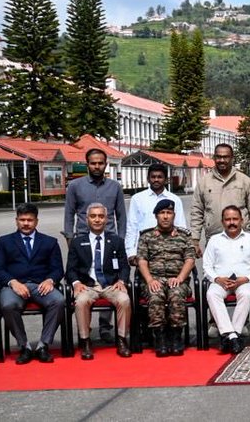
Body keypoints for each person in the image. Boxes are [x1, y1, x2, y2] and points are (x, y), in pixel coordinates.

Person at [64, 148, 127, 340]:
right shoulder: (75, 186)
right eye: (93, 163)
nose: (97, 166)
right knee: (86, 281)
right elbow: (69, 213)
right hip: (83, 237)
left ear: (106, 164)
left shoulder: (115, 186)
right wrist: (69, 238)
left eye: (100, 163)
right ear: (87, 164)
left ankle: (106, 325)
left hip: (110, 238)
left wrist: (121, 239)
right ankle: (85, 328)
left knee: (108, 278)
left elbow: (121, 215)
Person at [0, 203, 65, 364]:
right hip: (14, 286)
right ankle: (24, 346)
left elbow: (58, 269)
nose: (26, 223)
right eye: (22, 220)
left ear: (36, 221)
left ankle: (42, 345)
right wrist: (12, 282)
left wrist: (50, 280)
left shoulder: (50, 242)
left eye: (30, 220)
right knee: (8, 305)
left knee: (58, 301)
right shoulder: (3, 242)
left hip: (40, 285)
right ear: (16, 221)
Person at [67, 203, 133, 360]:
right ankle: (86, 341)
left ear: (107, 219)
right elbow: (70, 269)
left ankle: (122, 339)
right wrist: (76, 283)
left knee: (124, 299)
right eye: (93, 216)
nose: (97, 220)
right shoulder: (77, 242)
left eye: (101, 216)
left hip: (110, 284)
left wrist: (122, 280)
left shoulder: (116, 241)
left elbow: (125, 266)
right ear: (87, 219)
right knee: (81, 301)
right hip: (87, 285)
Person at [135, 199, 197, 357]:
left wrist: (180, 278)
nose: (165, 216)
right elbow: (141, 260)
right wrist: (149, 280)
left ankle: (176, 337)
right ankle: (160, 338)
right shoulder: (146, 236)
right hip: (154, 278)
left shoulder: (184, 236)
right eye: (162, 213)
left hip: (177, 279)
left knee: (176, 295)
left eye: (169, 213)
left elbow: (190, 260)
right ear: (156, 216)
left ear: (174, 215)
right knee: (156, 296)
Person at [201, 205, 250, 354]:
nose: (232, 222)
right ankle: (233, 336)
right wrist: (217, 278)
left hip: (245, 281)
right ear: (223, 222)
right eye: (228, 219)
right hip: (221, 282)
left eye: (235, 219)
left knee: (246, 294)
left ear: (241, 220)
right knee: (212, 294)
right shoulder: (214, 240)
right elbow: (207, 266)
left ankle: (231, 335)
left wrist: (246, 278)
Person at [191, 143, 250, 253]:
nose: (222, 160)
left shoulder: (244, 180)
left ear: (232, 158)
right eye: (218, 157)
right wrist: (195, 239)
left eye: (225, 157)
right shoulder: (204, 182)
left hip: (241, 237)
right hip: (214, 237)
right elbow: (197, 211)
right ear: (214, 158)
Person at [125, 163, 186, 266]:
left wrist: (181, 250)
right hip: (144, 251)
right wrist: (131, 252)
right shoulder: (137, 198)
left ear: (166, 180)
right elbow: (132, 226)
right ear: (148, 179)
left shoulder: (175, 199)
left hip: (170, 250)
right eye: (153, 177)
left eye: (160, 177)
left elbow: (181, 226)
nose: (156, 180)